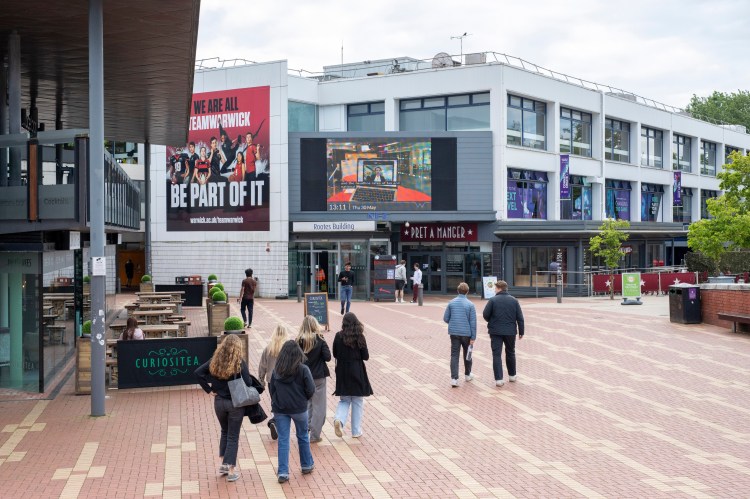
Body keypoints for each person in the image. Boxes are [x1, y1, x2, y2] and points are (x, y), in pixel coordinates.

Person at [195, 334, 264, 483]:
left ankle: (223, 464)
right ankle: (231, 469)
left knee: (224, 431)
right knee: (233, 435)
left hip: (219, 402)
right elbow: (247, 381)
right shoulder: (239, 362)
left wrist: (209, 389)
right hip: (235, 403)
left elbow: (198, 373)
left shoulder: (215, 360)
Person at [269, 340, 315, 484]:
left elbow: (272, 390)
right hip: (299, 408)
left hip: (281, 409)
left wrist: (277, 401)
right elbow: (311, 389)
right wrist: (303, 399)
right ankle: (306, 465)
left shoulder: (276, 370)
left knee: (283, 439)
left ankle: (283, 472)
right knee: (302, 436)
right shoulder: (303, 369)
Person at [332, 313, 373, 439]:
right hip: (357, 370)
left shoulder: (338, 336)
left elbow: (335, 353)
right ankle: (356, 431)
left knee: (344, 400)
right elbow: (365, 356)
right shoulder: (359, 336)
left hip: (342, 370)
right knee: (357, 401)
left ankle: (339, 419)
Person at [482, 280, 524, 387]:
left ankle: (499, 379)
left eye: (495, 288)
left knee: (496, 354)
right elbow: (520, 318)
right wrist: (521, 331)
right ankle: (512, 375)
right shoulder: (514, 301)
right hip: (510, 331)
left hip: (495, 331)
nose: (494, 290)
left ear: (499, 288)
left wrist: (491, 321)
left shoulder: (493, 300)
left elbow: (485, 314)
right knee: (510, 352)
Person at [297, 315, 331, 444]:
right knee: (319, 407)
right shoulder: (320, 340)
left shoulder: (298, 340)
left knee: (307, 405)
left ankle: (304, 431)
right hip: (318, 378)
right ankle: (315, 435)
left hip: (303, 377)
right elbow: (328, 357)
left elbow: (296, 359)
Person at [258, 324, 292, 441]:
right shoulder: (287, 348)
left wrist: (261, 380)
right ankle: (275, 422)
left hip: (271, 381)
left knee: (275, 403)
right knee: (285, 405)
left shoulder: (268, 348)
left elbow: (262, 365)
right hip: (285, 380)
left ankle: (275, 422)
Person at [443, 282, 476, 387]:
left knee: (454, 355)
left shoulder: (451, 303)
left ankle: (454, 379)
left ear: (457, 291)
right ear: (467, 292)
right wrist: (473, 337)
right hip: (467, 333)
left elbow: (446, 318)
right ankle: (467, 374)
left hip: (454, 333)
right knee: (468, 354)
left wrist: (453, 323)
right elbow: (473, 323)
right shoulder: (470, 305)